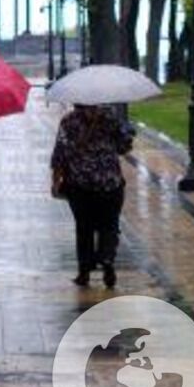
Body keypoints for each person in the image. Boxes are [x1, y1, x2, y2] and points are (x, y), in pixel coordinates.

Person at [51, 103, 134, 287]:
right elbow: (124, 147)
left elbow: (60, 153)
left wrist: (55, 181)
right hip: (110, 182)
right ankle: (107, 258)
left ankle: (84, 271)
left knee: (84, 227)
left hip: (80, 184)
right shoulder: (111, 117)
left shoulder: (69, 121)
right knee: (110, 224)